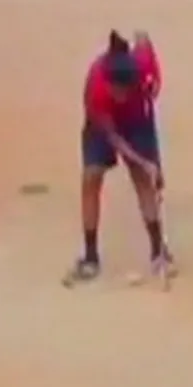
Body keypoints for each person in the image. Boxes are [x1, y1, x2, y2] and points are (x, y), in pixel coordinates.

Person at [67, 30, 170, 282]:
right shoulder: (97, 89)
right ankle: (90, 256)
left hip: (137, 119)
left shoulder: (144, 69)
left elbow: (145, 41)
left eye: (126, 90)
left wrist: (151, 163)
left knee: (144, 181)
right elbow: (113, 138)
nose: (121, 96)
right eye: (117, 90)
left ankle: (159, 251)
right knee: (91, 177)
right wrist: (144, 161)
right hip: (104, 124)